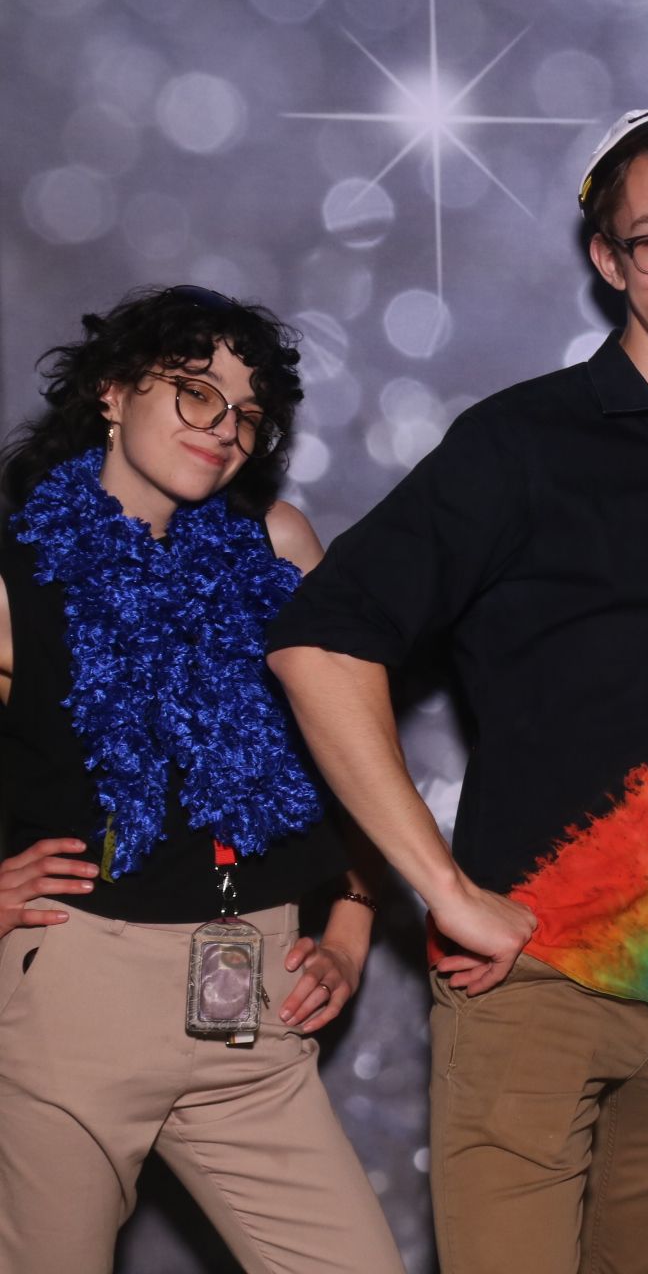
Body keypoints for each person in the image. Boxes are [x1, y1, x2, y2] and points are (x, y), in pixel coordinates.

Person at [265, 97, 648, 1274]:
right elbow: (319, 639)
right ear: (607, 259)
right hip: (537, 982)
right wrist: (439, 887)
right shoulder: (520, 442)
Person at [0, 284, 403, 1272]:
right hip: (77, 1000)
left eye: (247, 413)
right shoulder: (16, 571)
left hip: (253, 998)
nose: (224, 427)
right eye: (195, 390)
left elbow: (353, 754)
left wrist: (351, 927)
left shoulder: (279, 546)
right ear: (111, 391)